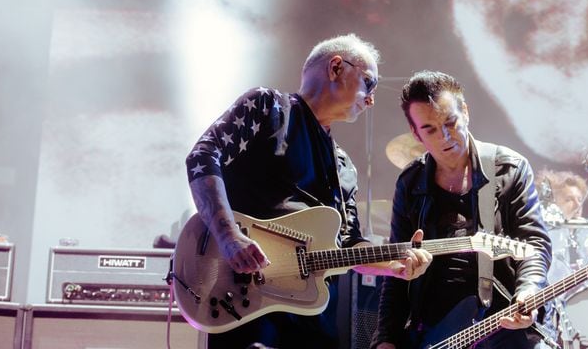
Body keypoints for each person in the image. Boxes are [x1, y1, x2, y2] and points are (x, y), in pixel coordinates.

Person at [184, 33, 432, 349]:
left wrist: (395, 266)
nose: (370, 99)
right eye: (368, 83)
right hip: (247, 307)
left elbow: (348, 245)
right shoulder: (267, 107)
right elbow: (203, 156)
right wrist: (228, 237)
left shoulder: (344, 166)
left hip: (312, 321)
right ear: (336, 68)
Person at [371, 70, 553, 349]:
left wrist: (528, 291)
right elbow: (398, 270)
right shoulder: (410, 183)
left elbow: (535, 243)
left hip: (501, 323)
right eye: (429, 129)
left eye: (451, 122)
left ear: (465, 112)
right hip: (432, 332)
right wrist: (385, 339)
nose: (444, 137)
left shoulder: (510, 169)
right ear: (415, 133)